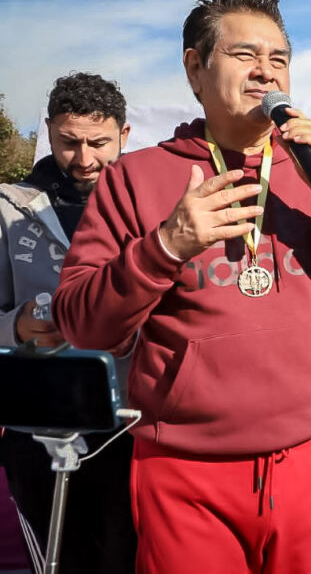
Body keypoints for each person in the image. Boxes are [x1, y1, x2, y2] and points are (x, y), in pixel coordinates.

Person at [51, 0, 311, 574]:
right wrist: (165, 247)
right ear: (195, 67)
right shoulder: (137, 177)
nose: (266, 70)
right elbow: (83, 324)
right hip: (187, 468)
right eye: (245, 54)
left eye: (280, 58)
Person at [0, 72, 135, 574]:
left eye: (98, 143)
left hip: (130, 425)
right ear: (48, 132)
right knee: (62, 563)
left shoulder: (150, 205)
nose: (83, 160)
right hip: (39, 428)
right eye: (68, 142)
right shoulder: (9, 207)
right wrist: (18, 326)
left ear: (124, 135)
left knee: (129, 558)